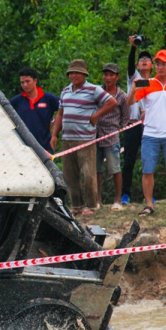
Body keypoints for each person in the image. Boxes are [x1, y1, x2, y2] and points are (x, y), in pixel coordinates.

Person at [128, 49, 166, 217]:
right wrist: (133, 89)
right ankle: (149, 204)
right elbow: (129, 102)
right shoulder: (146, 82)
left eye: (164, 64)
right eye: (158, 63)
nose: (160, 67)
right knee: (147, 170)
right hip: (150, 134)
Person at [50, 60, 117, 216]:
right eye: (71, 73)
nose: (73, 75)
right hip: (67, 139)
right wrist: (54, 134)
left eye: (77, 73)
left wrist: (95, 116)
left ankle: (92, 205)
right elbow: (60, 113)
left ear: (83, 74)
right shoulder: (65, 91)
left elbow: (112, 102)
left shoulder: (93, 89)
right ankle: (77, 205)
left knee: (88, 174)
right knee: (70, 174)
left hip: (85, 139)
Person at [122, 37, 154, 205]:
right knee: (129, 161)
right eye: (141, 60)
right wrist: (133, 48)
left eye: (147, 60)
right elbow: (129, 64)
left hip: (149, 125)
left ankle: (149, 195)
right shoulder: (133, 78)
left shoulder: (155, 82)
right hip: (132, 124)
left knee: (149, 161)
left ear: (152, 65)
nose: (143, 62)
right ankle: (125, 194)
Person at [97, 63, 129, 210]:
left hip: (112, 135)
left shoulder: (122, 96)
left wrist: (118, 128)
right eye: (105, 74)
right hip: (96, 134)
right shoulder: (97, 91)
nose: (108, 78)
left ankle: (117, 200)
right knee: (96, 168)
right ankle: (97, 200)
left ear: (117, 77)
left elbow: (125, 117)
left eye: (111, 75)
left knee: (114, 168)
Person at [10, 68, 60, 154]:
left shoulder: (48, 98)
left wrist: (55, 123)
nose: (25, 85)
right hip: (23, 147)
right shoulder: (17, 101)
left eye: (27, 81)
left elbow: (64, 110)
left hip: (45, 146)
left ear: (35, 81)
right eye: (22, 82)